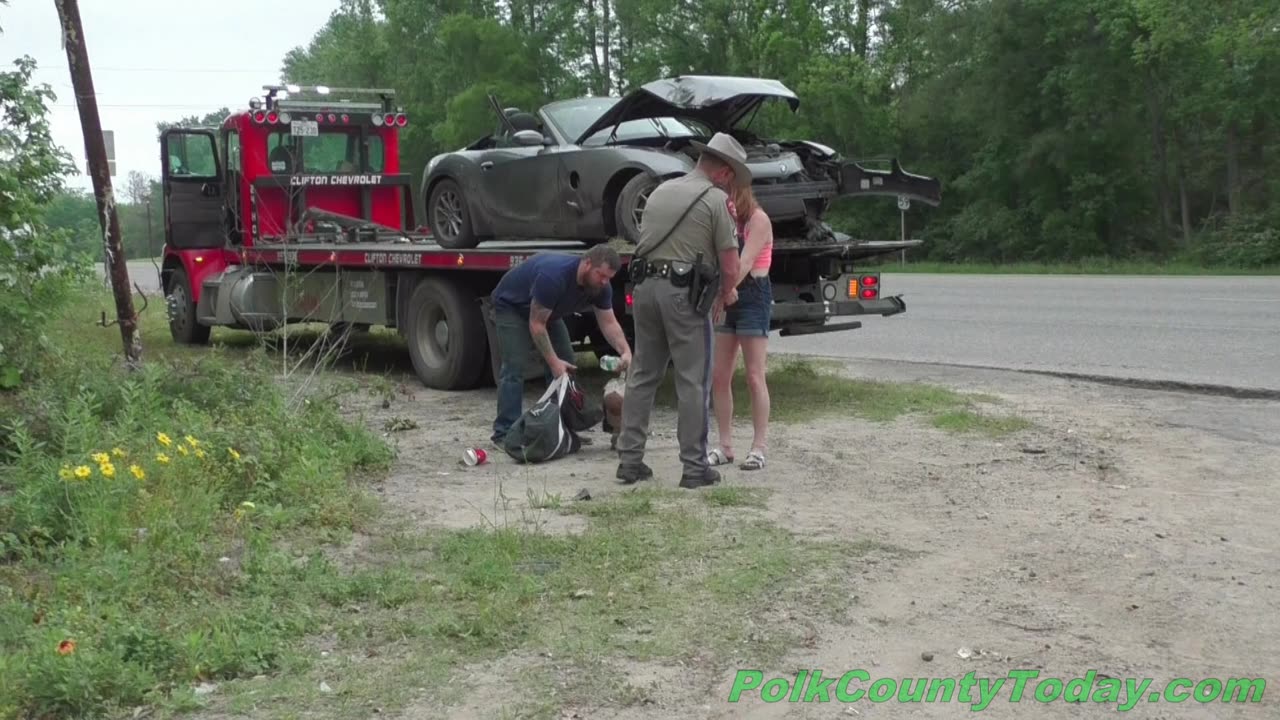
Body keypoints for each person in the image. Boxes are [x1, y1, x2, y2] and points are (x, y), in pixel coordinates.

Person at [615, 132, 746, 489]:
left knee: (643, 374)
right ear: (724, 173)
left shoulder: (661, 190)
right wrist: (727, 292)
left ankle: (629, 461)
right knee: (693, 379)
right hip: (682, 295)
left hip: (644, 289)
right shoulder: (715, 200)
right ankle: (693, 467)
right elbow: (731, 265)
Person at [489, 246, 631, 445]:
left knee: (567, 366)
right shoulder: (554, 276)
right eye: (601, 275)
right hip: (513, 307)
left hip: (549, 312)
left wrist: (625, 350)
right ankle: (504, 434)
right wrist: (553, 362)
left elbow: (608, 322)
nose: (604, 282)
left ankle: (560, 428)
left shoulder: (600, 287)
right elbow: (536, 324)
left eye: (609, 278)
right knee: (515, 367)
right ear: (587, 263)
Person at [708, 183, 773, 471]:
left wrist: (725, 292)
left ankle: (759, 447)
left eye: (730, 194)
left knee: (754, 375)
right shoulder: (724, 220)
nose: (727, 200)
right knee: (720, 375)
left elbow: (744, 262)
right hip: (727, 292)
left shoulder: (757, 220)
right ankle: (725, 445)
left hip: (752, 293)